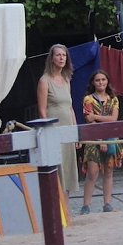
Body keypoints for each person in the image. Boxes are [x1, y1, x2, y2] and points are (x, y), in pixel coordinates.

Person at [36, 44, 79, 197]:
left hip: (67, 128)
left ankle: (66, 206)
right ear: (52, 58)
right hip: (54, 129)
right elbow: (42, 110)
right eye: (58, 55)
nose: (61, 58)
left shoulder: (66, 80)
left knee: (68, 169)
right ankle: (58, 206)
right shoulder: (44, 81)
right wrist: (49, 132)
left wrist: (75, 131)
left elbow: (70, 107)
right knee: (58, 169)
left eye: (64, 55)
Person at [80, 70, 123, 214]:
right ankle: (86, 205)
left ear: (107, 81)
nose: (101, 82)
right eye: (97, 80)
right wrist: (100, 140)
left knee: (109, 171)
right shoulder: (88, 99)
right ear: (93, 82)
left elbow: (113, 119)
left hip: (111, 137)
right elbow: (89, 120)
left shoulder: (113, 99)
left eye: (103, 79)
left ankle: (107, 203)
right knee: (92, 172)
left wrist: (96, 116)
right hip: (94, 139)